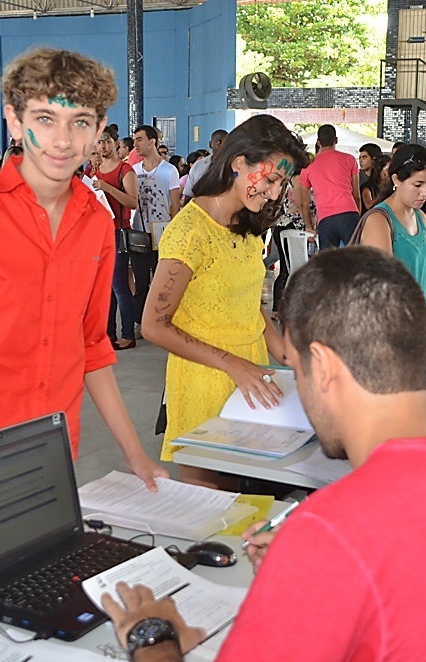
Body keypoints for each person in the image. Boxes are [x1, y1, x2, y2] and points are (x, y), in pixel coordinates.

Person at [101, 247, 426, 660]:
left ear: (323, 365)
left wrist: (155, 639)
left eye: (295, 365)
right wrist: (307, 574)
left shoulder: (329, 534)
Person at [0, 47, 167, 558]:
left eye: (80, 122)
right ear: (15, 122)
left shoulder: (96, 223)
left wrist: (137, 456)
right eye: (45, 118)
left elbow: (92, 348)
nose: (63, 140)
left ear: (98, 129)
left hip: (53, 460)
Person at [142, 115, 308, 486]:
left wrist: (287, 355)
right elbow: (153, 325)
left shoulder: (246, 224)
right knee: (214, 503)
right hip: (205, 377)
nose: (276, 193)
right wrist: (232, 364)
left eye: (282, 183)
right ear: (238, 164)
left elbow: (251, 304)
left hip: (251, 373)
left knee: (250, 496)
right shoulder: (189, 232)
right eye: (270, 180)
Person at [352, 143, 426, 340]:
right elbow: (390, 280)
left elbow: (425, 272)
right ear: (396, 180)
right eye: (418, 185)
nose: (425, 192)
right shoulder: (379, 220)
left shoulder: (420, 217)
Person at [91, 125, 139, 350]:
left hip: (117, 232)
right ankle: (107, 334)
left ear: (117, 144)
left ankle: (127, 334)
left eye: (108, 142)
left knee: (119, 285)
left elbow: (132, 202)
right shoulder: (93, 171)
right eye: (100, 142)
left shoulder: (124, 170)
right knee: (104, 288)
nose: (103, 146)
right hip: (97, 235)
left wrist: (108, 189)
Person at [130, 124, 181, 332]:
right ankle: (140, 322)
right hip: (139, 232)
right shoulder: (133, 171)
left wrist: (172, 232)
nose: (136, 145)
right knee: (140, 280)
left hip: (163, 233)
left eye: (140, 140)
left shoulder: (169, 170)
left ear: (152, 141)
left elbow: (175, 205)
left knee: (164, 281)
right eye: (134, 141)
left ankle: (164, 319)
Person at [297, 124, 361, 250]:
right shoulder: (350, 159)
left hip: (325, 219)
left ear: (318, 142)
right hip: (349, 213)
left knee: (328, 264)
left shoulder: (308, 166)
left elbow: (304, 204)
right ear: (336, 140)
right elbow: (356, 196)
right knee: (356, 259)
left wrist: (309, 226)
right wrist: (357, 217)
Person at [182, 130, 227, 200]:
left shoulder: (234, 166)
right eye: (219, 142)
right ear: (210, 144)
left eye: (226, 142)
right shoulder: (198, 166)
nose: (222, 146)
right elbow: (189, 195)